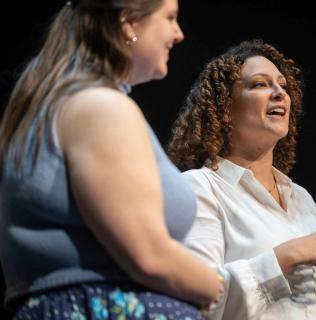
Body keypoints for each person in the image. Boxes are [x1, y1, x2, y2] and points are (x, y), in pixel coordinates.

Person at [0, 0, 224, 319]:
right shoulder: (100, 107)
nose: (179, 34)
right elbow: (150, 256)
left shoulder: (67, 101)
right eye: (170, 18)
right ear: (128, 22)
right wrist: (219, 286)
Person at [168, 39, 316, 320]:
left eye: (283, 86)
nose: (279, 93)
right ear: (224, 109)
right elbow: (198, 303)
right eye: (260, 84)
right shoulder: (201, 189)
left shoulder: (301, 198)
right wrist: (286, 256)